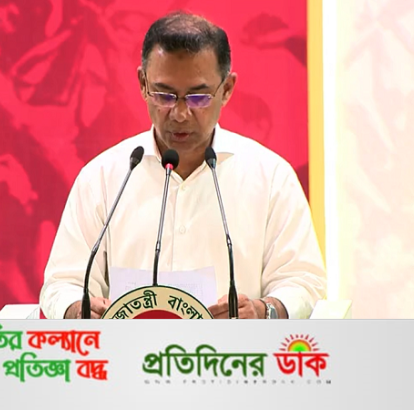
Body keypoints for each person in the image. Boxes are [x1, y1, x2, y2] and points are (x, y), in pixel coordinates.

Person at [39, 11, 327, 319]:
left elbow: (304, 282)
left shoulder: (270, 177)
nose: (179, 113)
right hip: (126, 349)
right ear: (142, 83)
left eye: (197, 97)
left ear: (227, 89)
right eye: (164, 95)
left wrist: (264, 310)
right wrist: (78, 309)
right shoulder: (103, 177)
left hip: (236, 349)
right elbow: (62, 283)